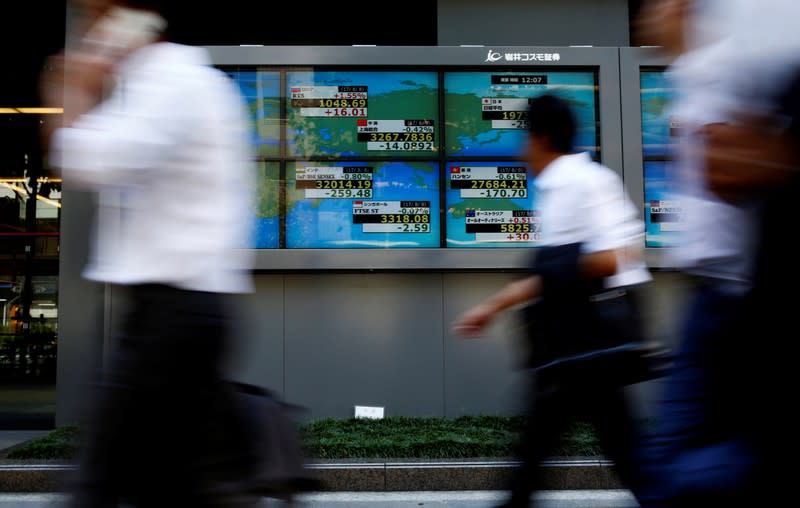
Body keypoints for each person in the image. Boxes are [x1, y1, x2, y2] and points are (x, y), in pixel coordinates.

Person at [41, 0, 258, 506]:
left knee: (100, 477)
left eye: (95, 20)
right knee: (178, 485)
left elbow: (89, 159)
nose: (88, 35)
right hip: (180, 312)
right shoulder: (170, 83)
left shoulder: (171, 82)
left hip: (174, 314)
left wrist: (69, 88)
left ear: (127, 20)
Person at [452, 94, 653, 508]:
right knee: (612, 450)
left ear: (541, 137)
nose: (521, 150)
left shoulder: (582, 181)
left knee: (547, 455)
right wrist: (491, 307)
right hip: (573, 346)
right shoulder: (559, 186)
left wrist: (557, 271)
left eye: (524, 138)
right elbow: (548, 276)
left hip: (585, 342)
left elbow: (619, 254)